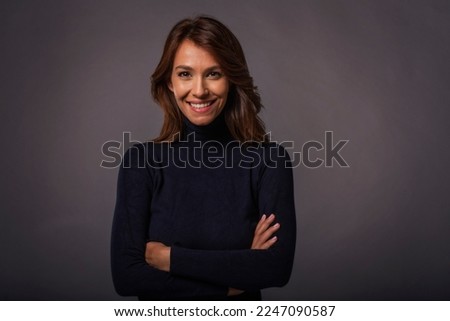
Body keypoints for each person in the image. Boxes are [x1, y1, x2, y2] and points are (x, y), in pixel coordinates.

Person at [111, 16, 296, 300]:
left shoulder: (268, 161)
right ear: (170, 82)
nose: (199, 90)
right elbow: (126, 277)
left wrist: (168, 258)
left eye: (213, 73)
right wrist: (231, 284)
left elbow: (276, 268)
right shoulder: (141, 162)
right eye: (185, 74)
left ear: (232, 79)